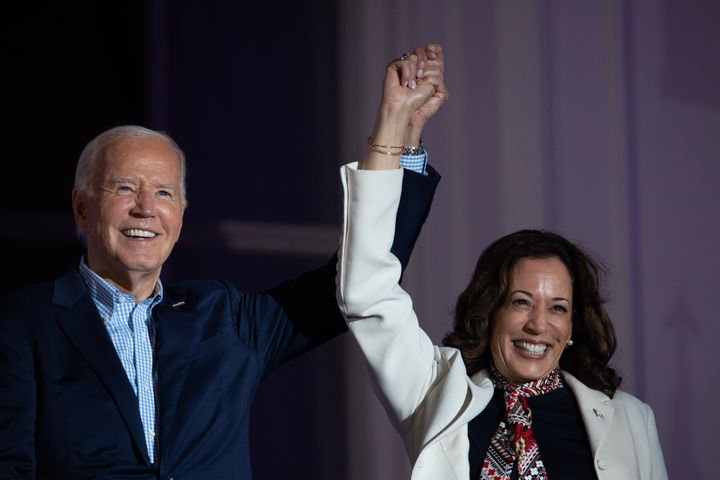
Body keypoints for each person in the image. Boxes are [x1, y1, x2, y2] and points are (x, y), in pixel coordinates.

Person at [0, 44, 446, 479]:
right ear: (82, 209)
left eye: (164, 192)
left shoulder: (225, 318)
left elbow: (365, 275)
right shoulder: (23, 323)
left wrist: (397, 127)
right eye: (123, 188)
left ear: (180, 214)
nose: (145, 208)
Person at [336, 56, 667, 479]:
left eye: (558, 307)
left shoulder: (631, 420)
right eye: (521, 301)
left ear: (571, 330)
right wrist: (395, 120)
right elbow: (367, 290)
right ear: (490, 310)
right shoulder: (436, 392)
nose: (538, 325)